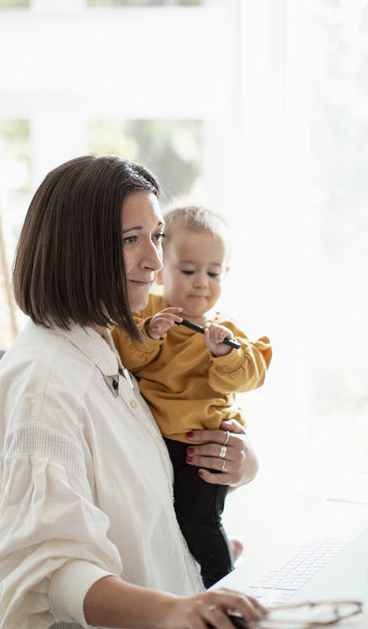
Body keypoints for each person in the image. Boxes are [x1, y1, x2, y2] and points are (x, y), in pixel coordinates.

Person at [0, 155, 267, 629]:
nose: (155, 259)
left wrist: (237, 461)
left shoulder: (112, 351)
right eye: (130, 240)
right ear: (75, 250)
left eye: (157, 236)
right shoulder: (44, 389)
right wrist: (178, 610)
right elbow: (50, 575)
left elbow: (139, 502)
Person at [112, 205, 272, 589]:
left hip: (202, 443)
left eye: (213, 273)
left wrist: (225, 354)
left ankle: (224, 584)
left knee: (199, 518)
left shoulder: (222, 331)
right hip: (159, 441)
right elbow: (128, 355)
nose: (201, 282)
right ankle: (214, 560)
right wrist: (151, 333)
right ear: (161, 267)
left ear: (225, 274)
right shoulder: (144, 313)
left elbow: (252, 374)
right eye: (188, 271)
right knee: (164, 520)